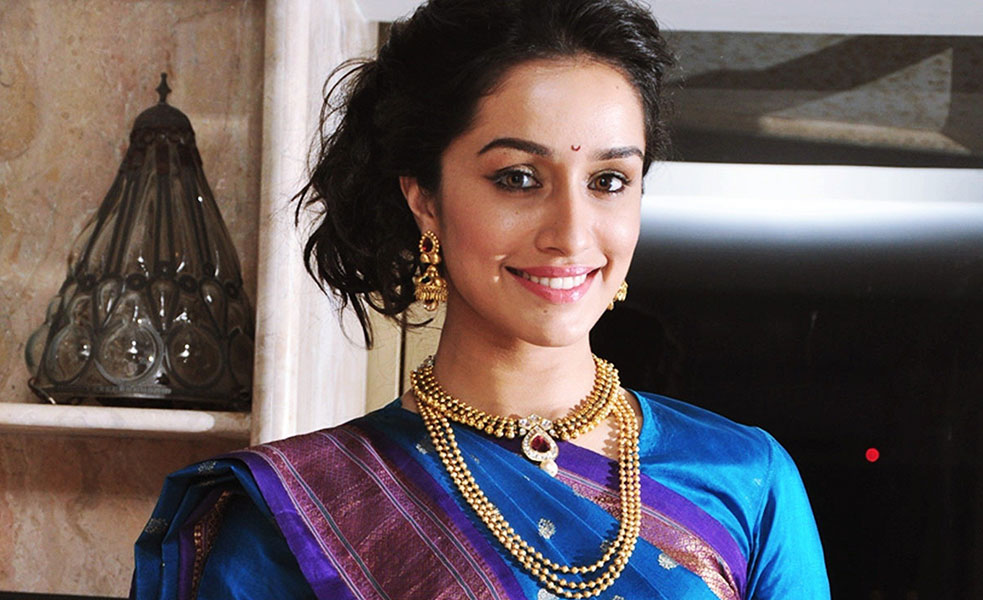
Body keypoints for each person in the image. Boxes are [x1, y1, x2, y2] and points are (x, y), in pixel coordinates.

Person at [131, 0, 830, 598]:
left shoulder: (743, 480)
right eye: (519, 177)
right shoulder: (301, 516)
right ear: (425, 199)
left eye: (609, 181)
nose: (571, 233)